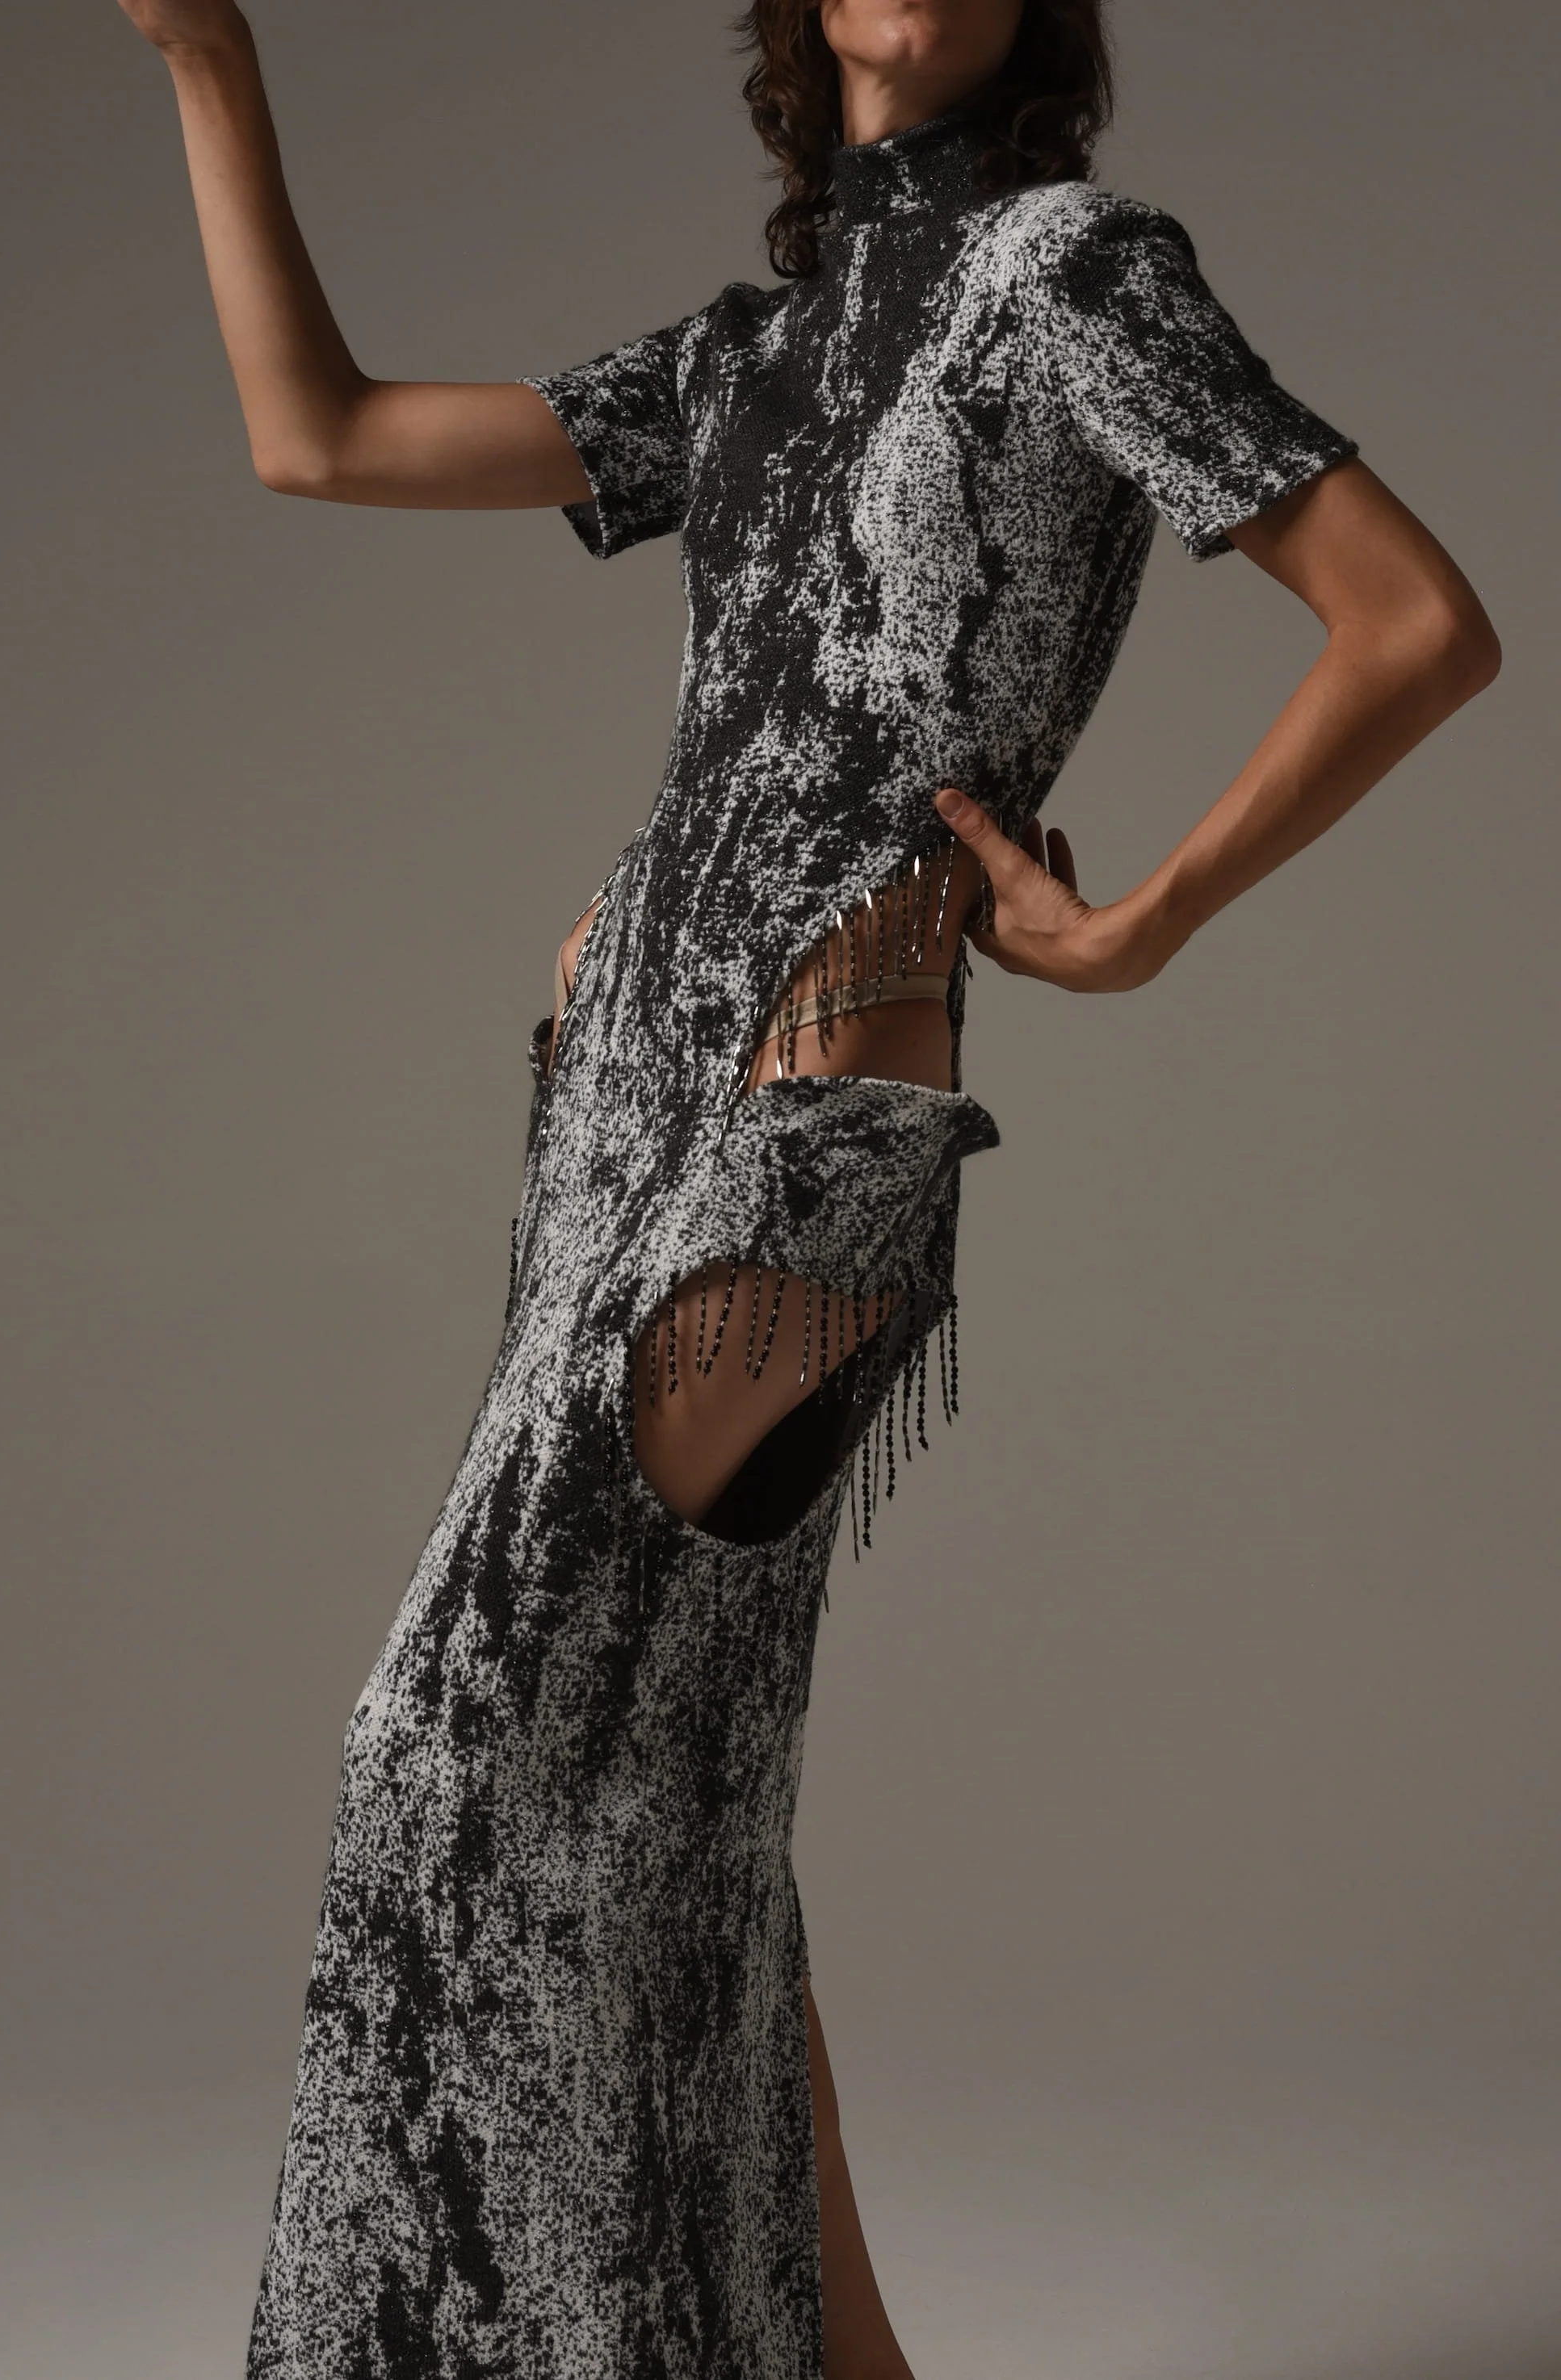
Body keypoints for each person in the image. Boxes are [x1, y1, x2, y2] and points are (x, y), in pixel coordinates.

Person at [114, 2, 1500, 2374]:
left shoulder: (1071, 270)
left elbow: (1416, 621)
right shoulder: (747, 350)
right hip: (610, 1118)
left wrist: (1131, 916)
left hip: (805, 1117)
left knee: (452, 1750)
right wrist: (206, 54)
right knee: (675, 1803)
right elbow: (312, 434)